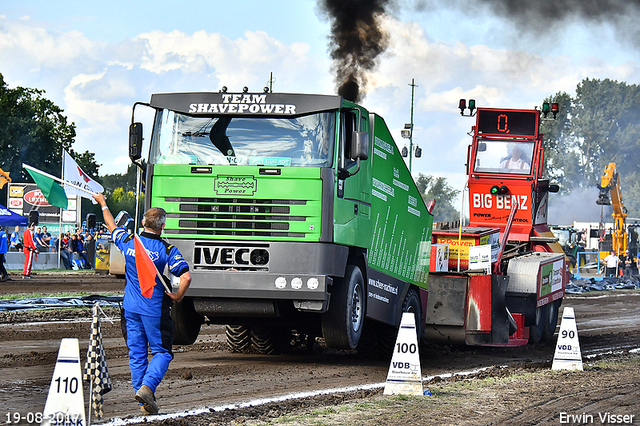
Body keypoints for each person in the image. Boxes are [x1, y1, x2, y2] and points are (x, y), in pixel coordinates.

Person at [93, 193, 191, 416]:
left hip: (130, 309)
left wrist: (103, 203)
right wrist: (178, 296)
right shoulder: (167, 250)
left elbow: (111, 225)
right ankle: (147, 389)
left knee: (136, 354)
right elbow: (185, 277)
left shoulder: (128, 241)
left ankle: (143, 400)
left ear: (143, 224)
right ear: (162, 226)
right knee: (163, 352)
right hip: (154, 310)